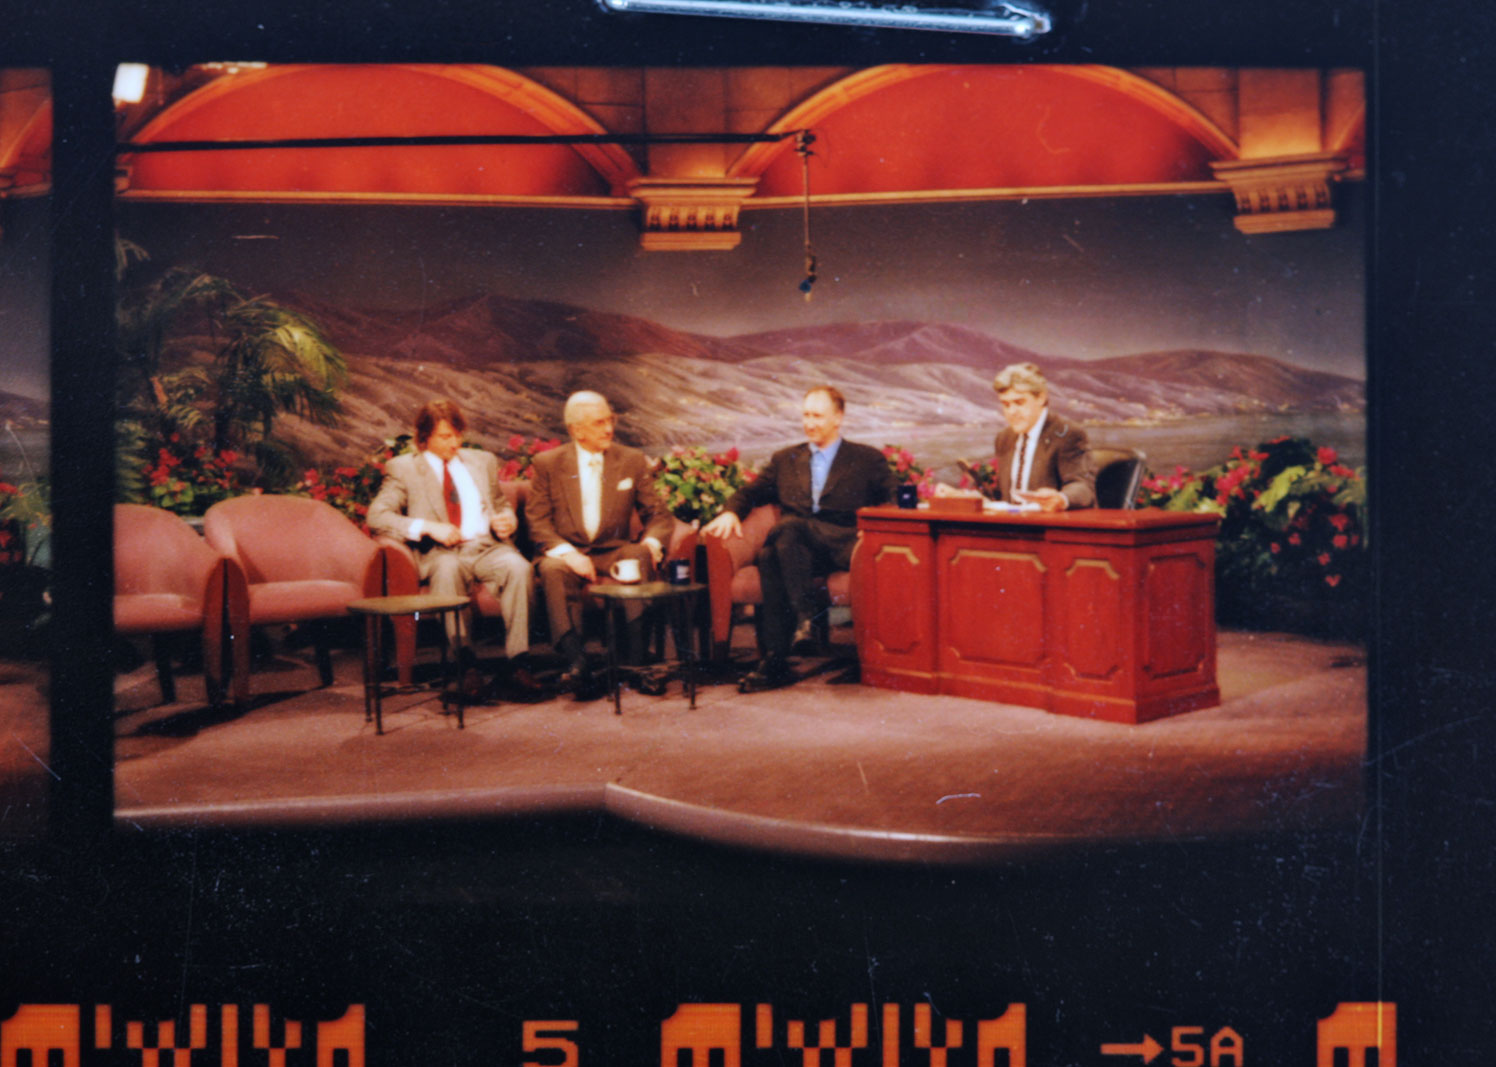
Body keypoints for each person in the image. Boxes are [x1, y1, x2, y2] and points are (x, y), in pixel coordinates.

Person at [703, 385, 898, 693]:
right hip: (796, 549)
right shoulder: (785, 459)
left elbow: (894, 499)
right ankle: (778, 656)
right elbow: (749, 493)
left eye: (817, 416)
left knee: (784, 534)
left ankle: (786, 643)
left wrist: (877, 526)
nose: (810, 423)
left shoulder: (866, 459)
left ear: (838, 418)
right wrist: (730, 512)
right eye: (806, 415)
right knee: (778, 545)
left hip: (843, 546)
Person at [368, 398, 537, 699]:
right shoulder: (404, 469)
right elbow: (377, 516)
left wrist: (506, 520)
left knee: (519, 567)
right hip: (441, 552)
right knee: (447, 570)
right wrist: (428, 527)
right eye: (446, 436)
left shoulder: (481, 461)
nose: (455, 442)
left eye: (458, 434)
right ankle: (466, 666)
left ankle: (518, 663)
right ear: (425, 438)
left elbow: (499, 505)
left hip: (486, 546)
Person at [527, 391, 674, 694]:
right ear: (576, 430)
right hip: (568, 550)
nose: (609, 429)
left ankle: (635, 664)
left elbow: (659, 515)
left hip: (613, 549)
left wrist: (651, 543)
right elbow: (538, 523)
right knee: (553, 569)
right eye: (599, 423)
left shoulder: (630, 460)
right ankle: (577, 663)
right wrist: (569, 554)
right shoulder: (548, 464)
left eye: (610, 420)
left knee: (637, 555)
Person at [989, 362, 1095, 511]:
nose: (1011, 412)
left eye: (1019, 403)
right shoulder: (1004, 438)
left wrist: (1060, 499)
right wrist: (969, 498)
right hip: (1012, 527)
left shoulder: (1067, 434)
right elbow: (1003, 497)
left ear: (1040, 398)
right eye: (1006, 405)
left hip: (1051, 528)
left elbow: (1084, 487)